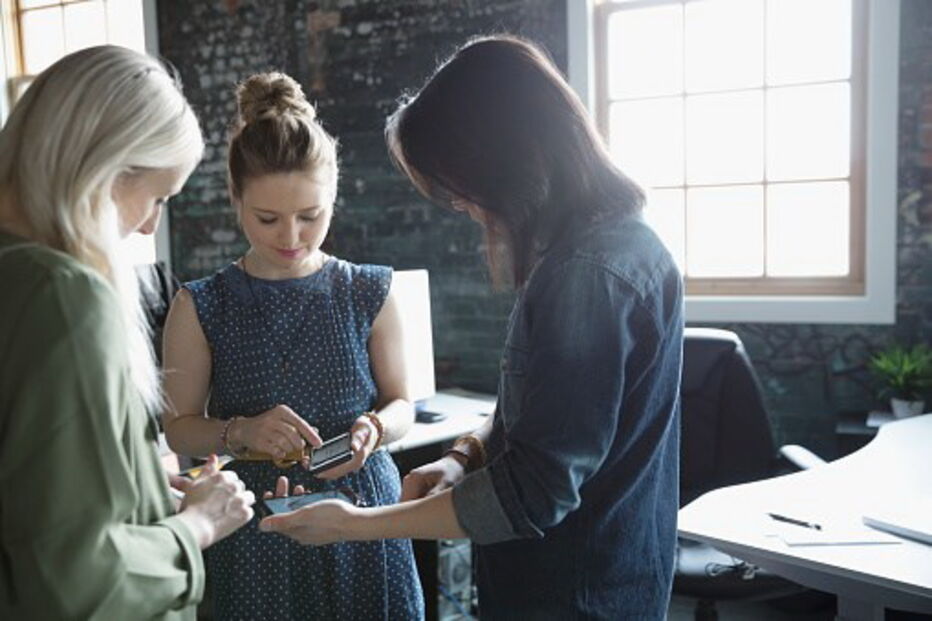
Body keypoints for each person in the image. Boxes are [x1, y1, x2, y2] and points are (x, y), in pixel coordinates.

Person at [259, 35, 685, 620]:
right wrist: (463, 455)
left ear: (506, 162)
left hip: (575, 595)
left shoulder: (586, 275)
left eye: (462, 190)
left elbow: (535, 492)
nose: (464, 207)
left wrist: (355, 525)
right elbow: (539, 416)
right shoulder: (609, 244)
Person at [0, 46, 255, 620]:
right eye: (158, 197)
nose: (148, 226)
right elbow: (74, 578)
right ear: (105, 168)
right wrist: (199, 525)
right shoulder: (61, 295)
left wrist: (138, 487)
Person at [160, 71, 424, 619]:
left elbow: (402, 404)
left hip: (361, 512)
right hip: (254, 524)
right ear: (235, 199)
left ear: (333, 196)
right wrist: (240, 432)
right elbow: (178, 427)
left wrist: (374, 429)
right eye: (268, 219)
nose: (291, 237)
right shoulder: (199, 305)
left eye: (310, 216)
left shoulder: (369, 290)